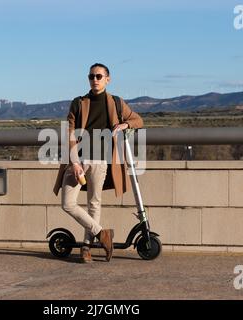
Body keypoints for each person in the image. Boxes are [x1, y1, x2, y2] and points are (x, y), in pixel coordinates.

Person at [52, 63, 144, 263]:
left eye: (99, 76)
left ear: (107, 79)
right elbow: (69, 134)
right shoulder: (78, 103)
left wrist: (125, 124)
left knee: (94, 203)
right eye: (91, 76)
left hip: (100, 161)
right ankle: (102, 233)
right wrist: (75, 163)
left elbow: (138, 120)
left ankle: (86, 247)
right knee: (68, 203)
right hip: (77, 161)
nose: (95, 79)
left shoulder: (116, 103)